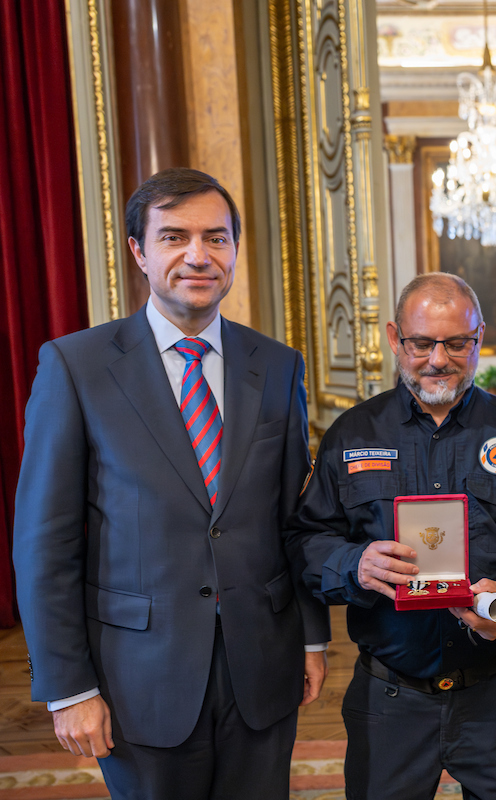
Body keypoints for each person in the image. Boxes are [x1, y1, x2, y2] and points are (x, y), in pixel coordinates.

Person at [13, 168, 331, 799]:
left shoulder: (276, 365)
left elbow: (298, 520)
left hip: (262, 663)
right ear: (139, 250)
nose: (197, 255)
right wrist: (69, 687)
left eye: (216, 237)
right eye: (174, 237)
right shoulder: (76, 366)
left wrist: (312, 636)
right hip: (138, 673)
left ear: (235, 249)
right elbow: (44, 544)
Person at [288, 273, 496, 800]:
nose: (438, 359)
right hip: (390, 695)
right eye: (422, 343)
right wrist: (354, 564)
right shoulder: (352, 435)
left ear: (479, 338)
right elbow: (306, 539)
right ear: (394, 338)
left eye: (457, 343)